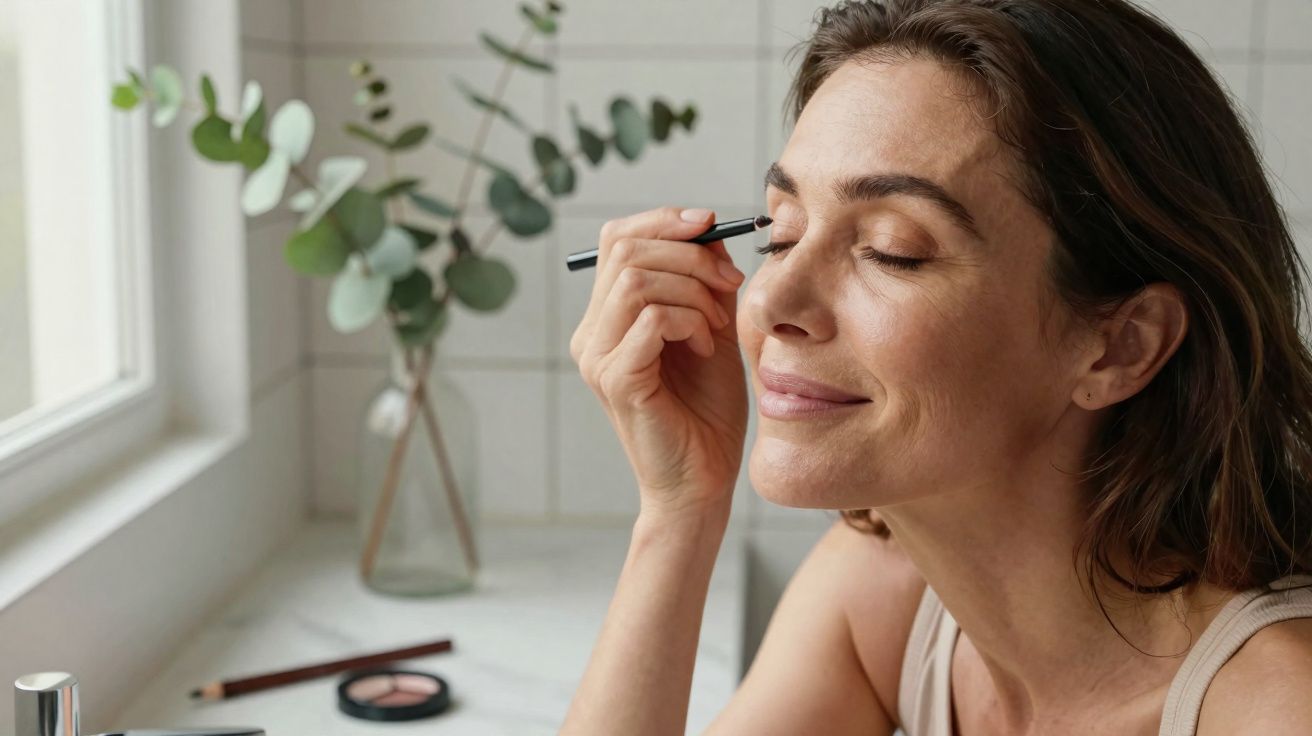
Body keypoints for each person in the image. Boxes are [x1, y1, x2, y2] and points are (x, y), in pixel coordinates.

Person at [559, 1, 1312, 734]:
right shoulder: (884, 590)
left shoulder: (1276, 706)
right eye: (781, 235)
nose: (768, 301)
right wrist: (679, 511)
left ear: (1124, 346)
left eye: (892, 250)